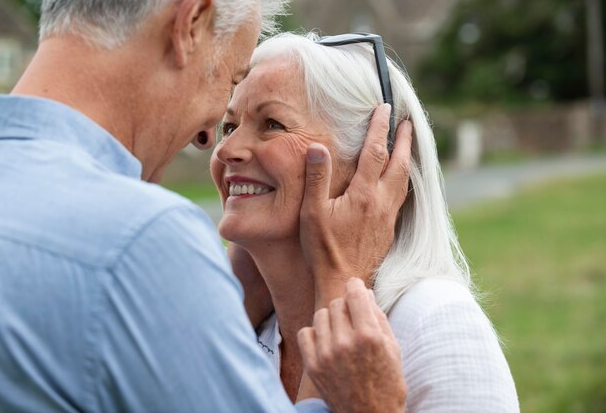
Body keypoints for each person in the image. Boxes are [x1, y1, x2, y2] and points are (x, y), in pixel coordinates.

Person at [0, 0, 413, 412]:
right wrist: (343, 281)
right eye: (228, 81)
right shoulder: (139, 240)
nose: (208, 139)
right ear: (190, 24)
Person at [210, 31, 521, 412]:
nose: (227, 150)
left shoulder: (431, 322)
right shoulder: (247, 328)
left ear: (372, 164)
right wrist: (228, 309)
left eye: (272, 123)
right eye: (229, 126)